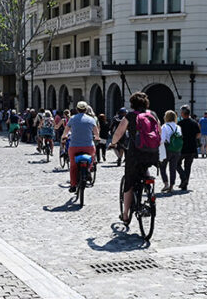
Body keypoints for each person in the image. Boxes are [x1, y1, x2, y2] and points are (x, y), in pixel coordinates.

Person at [109, 92, 160, 224]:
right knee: (145, 170)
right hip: (152, 153)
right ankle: (148, 191)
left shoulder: (130, 116)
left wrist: (113, 143)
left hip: (135, 154)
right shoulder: (152, 115)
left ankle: (125, 214)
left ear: (132, 104)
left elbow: (118, 133)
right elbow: (158, 131)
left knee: (129, 184)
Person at [61, 101, 99, 192]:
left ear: (77, 109)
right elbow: (96, 133)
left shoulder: (72, 118)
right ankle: (89, 169)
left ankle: (73, 185)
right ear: (86, 110)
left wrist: (64, 137)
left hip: (74, 146)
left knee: (73, 166)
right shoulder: (91, 119)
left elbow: (66, 130)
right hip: (88, 146)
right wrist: (97, 138)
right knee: (92, 156)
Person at [177, 106, 201, 190]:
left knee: (177, 164)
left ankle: (183, 178)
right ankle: (185, 184)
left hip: (182, 147)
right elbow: (198, 135)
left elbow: (178, 135)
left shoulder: (180, 124)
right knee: (188, 166)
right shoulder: (194, 123)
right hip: (192, 147)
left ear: (183, 114)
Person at [159, 110, 182, 193]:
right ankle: (172, 186)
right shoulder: (178, 127)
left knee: (162, 166)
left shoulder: (165, 126)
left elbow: (162, 139)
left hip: (167, 149)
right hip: (177, 150)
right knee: (173, 168)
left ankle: (166, 184)